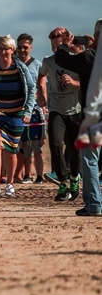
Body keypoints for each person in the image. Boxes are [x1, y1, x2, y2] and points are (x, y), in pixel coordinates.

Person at [0, 35, 36, 198]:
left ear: (12, 50)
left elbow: (31, 89)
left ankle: (10, 183)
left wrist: (28, 112)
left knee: (10, 150)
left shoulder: (20, 67)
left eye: (6, 48)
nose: (3, 52)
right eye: (0, 48)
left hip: (15, 113)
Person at [54, 21, 100, 215]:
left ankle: (94, 205)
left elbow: (63, 60)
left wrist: (65, 44)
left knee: (90, 160)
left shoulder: (91, 57)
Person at [38, 27, 82, 201]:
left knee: (74, 149)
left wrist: (74, 82)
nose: (55, 50)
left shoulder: (77, 60)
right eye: (52, 46)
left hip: (75, 110)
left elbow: (89, 81)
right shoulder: (48, 61)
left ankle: (74, 179)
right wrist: (42, 93)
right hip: (56, 109)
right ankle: (63, 181)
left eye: (58, 46)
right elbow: (41, 75)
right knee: (55, 144)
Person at [14, 33, 45, 184]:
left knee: (37, 145)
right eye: (19, 47)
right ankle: (26, 175)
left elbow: (42, 86)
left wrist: (44, 105)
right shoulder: (14, 63)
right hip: (18, 108)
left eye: (25, 47)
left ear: (30, 48)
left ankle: (39, 175)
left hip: (34, 110)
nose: (22, 50)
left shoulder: (38, 65)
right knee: (23, 145)